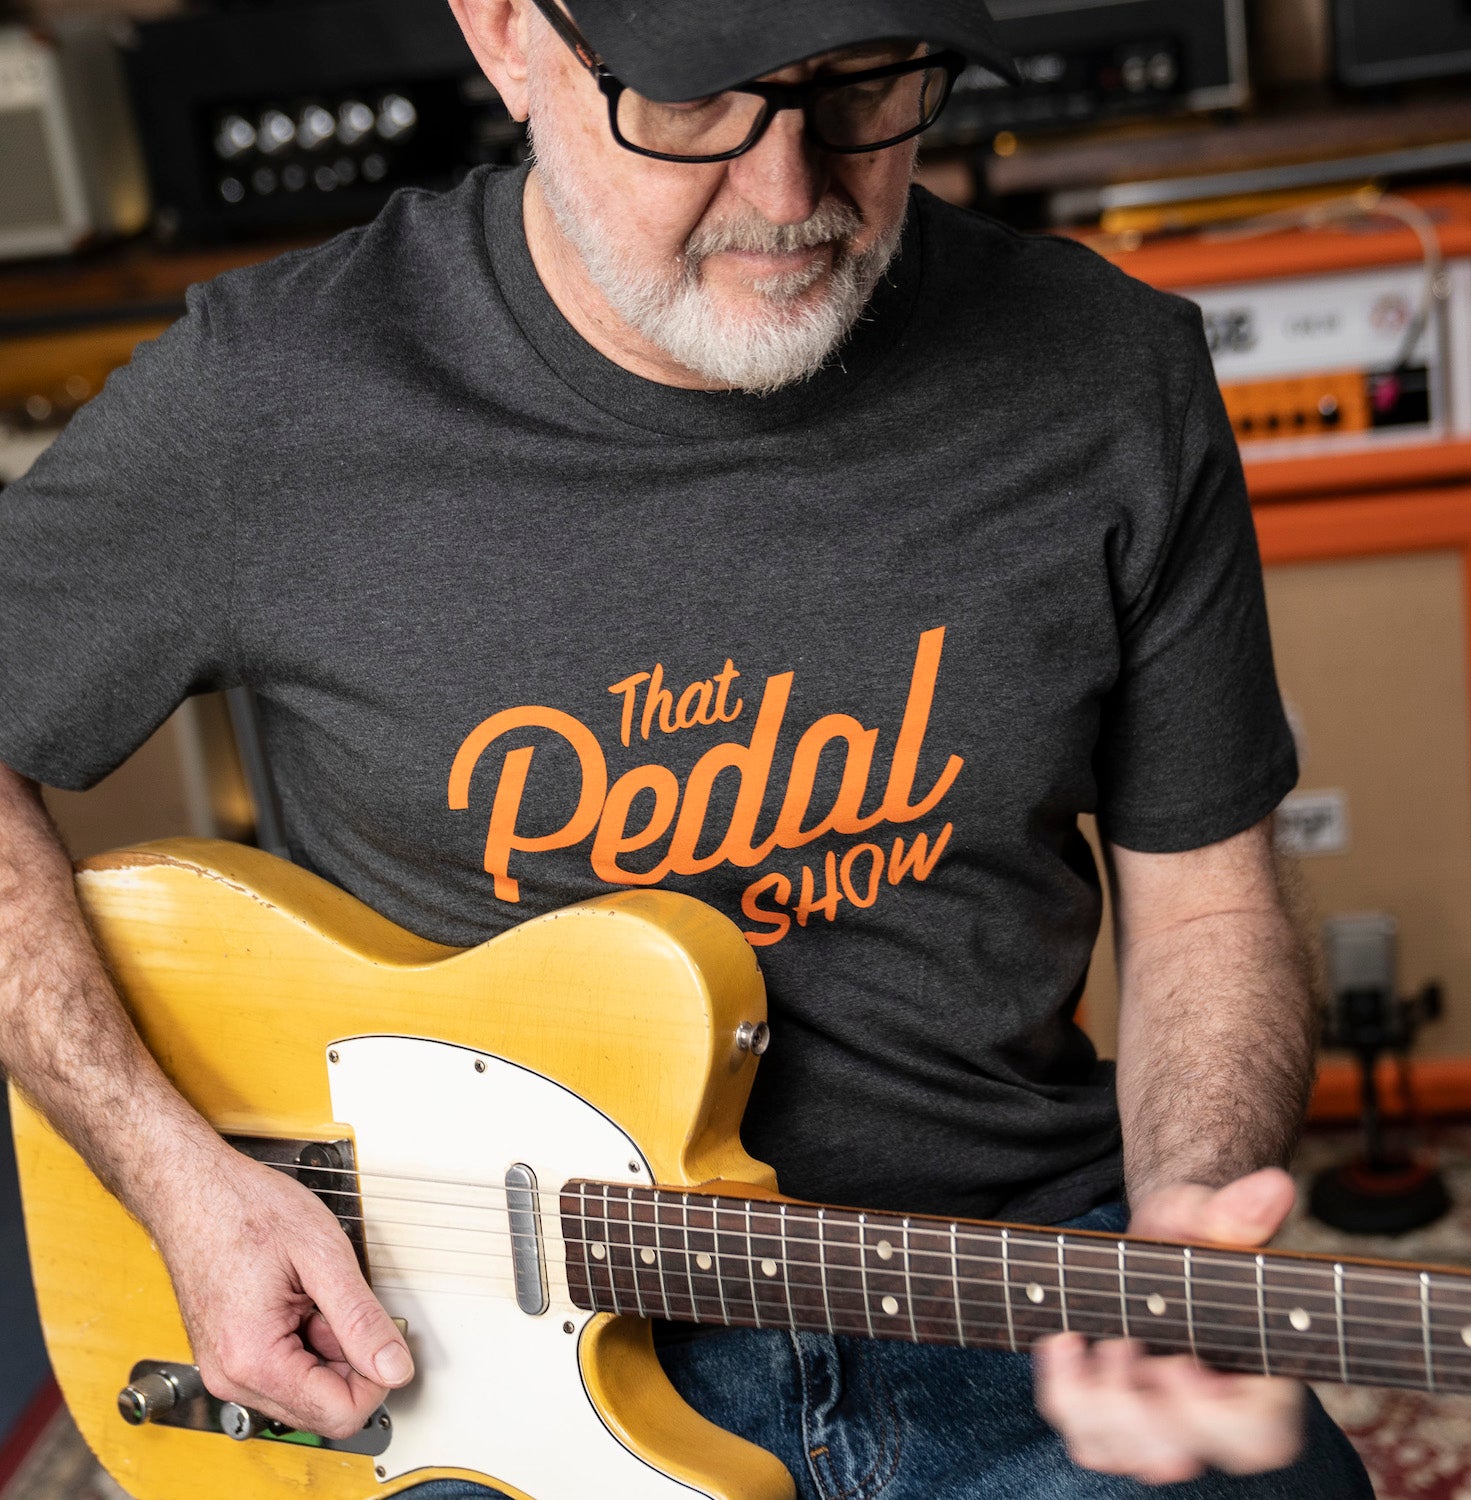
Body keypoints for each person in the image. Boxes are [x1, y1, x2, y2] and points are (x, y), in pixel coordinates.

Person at [0, 0, 1375, 1495]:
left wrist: (1184, 1238)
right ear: (509, 35)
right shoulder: (265, 403)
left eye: (862, 86)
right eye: (699, 97)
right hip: (464, 1353)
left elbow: (1211, 902)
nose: (793, 193)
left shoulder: (1116, 376)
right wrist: (169, 1172)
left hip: (1018, 1297)